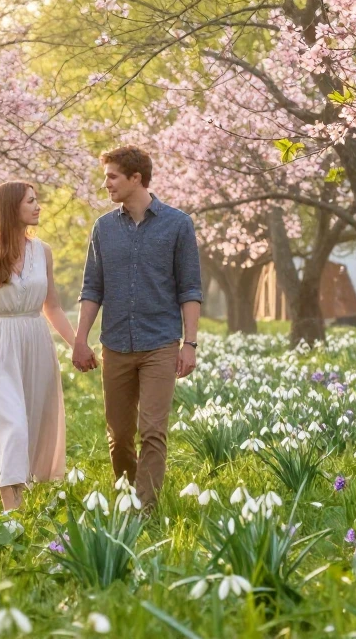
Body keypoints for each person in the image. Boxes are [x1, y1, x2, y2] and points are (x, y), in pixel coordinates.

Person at [72, 146, 202, 511]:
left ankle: (145, 511)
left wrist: (189, 343)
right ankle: (126, 495)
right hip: (115, 344)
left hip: (160, 343)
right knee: (120, 435)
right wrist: (80, 339)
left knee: (153, 431)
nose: (106, 184)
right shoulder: (103, 228)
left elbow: (190, 288)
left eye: (112, 176)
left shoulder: (178, 224)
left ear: (135, 178)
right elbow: (92, 288)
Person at [0, 181, 75, 511]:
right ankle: (12, 510)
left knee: (29, 421)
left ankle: (18, 500)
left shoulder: (43, 252)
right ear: (11, 208)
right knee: (10, 424)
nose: (38, 206)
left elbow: (52, 306)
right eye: (31, 201)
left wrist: (76, 345)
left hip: (36, 342)